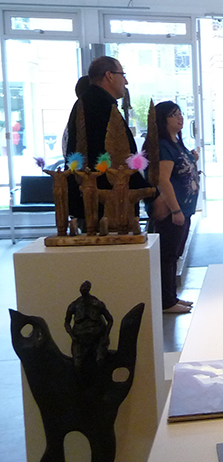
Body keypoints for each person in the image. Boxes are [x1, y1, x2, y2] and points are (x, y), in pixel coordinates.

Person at [64, 57, 141, 225]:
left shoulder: (93, 102)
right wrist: (143, 189)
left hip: (97, 198)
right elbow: (114, 155)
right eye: (122, 75)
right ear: (109, 75)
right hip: (105, 203)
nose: (126, 82)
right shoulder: (98, 106)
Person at [144, 101, 200, 314]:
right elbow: (163, 179)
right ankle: (166, 302)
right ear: (162, 120)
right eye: (174, 114)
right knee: (167, 256)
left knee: (174, 254)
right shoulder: (163, 146)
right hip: (171, 210)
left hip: (184, 209)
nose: (180, 118)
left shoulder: (176, 143)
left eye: (180, 113)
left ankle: (171, 297)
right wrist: (175, 210)